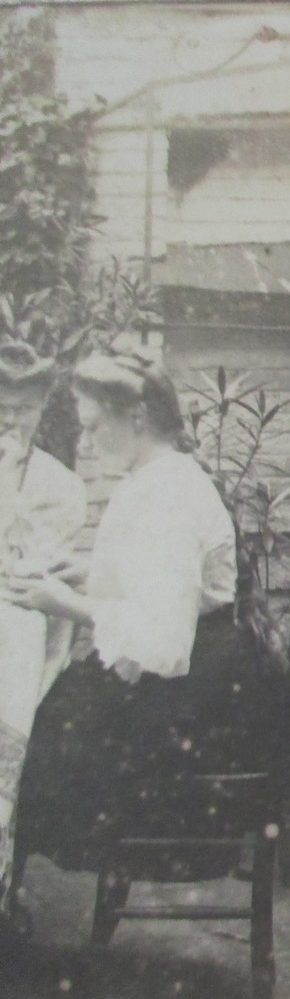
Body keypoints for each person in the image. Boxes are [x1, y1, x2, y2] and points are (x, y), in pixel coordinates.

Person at [9, 342, 286, 895]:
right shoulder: (158, 476)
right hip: (196, 673)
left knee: (30, 735)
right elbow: (152, 582)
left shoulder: (168, 494)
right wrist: (81, 569)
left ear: (135, 418)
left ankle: (8, 900)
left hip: (192, 703)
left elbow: (161, 639)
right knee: (31, 709)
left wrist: (62, 602)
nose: (85, 444)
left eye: (92, 428)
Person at [0, 341, 87, 926]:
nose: (11, 422)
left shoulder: (58, 486)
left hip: (24, 625)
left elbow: (30, 571)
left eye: (23, 410)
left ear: (41, 409)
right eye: (1, 408)